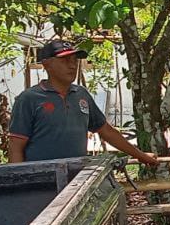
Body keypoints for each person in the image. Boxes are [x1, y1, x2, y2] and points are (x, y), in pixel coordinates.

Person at [8, 40, 159, 166]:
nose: (72, 65)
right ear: (47, 64)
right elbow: (16, 147)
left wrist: (140, 155)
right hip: (41, 180)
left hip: (76, 180)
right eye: (65, 60)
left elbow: (106, 131)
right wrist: (18, 182)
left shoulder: (81, 94)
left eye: (74, 60)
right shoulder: (29, 99)